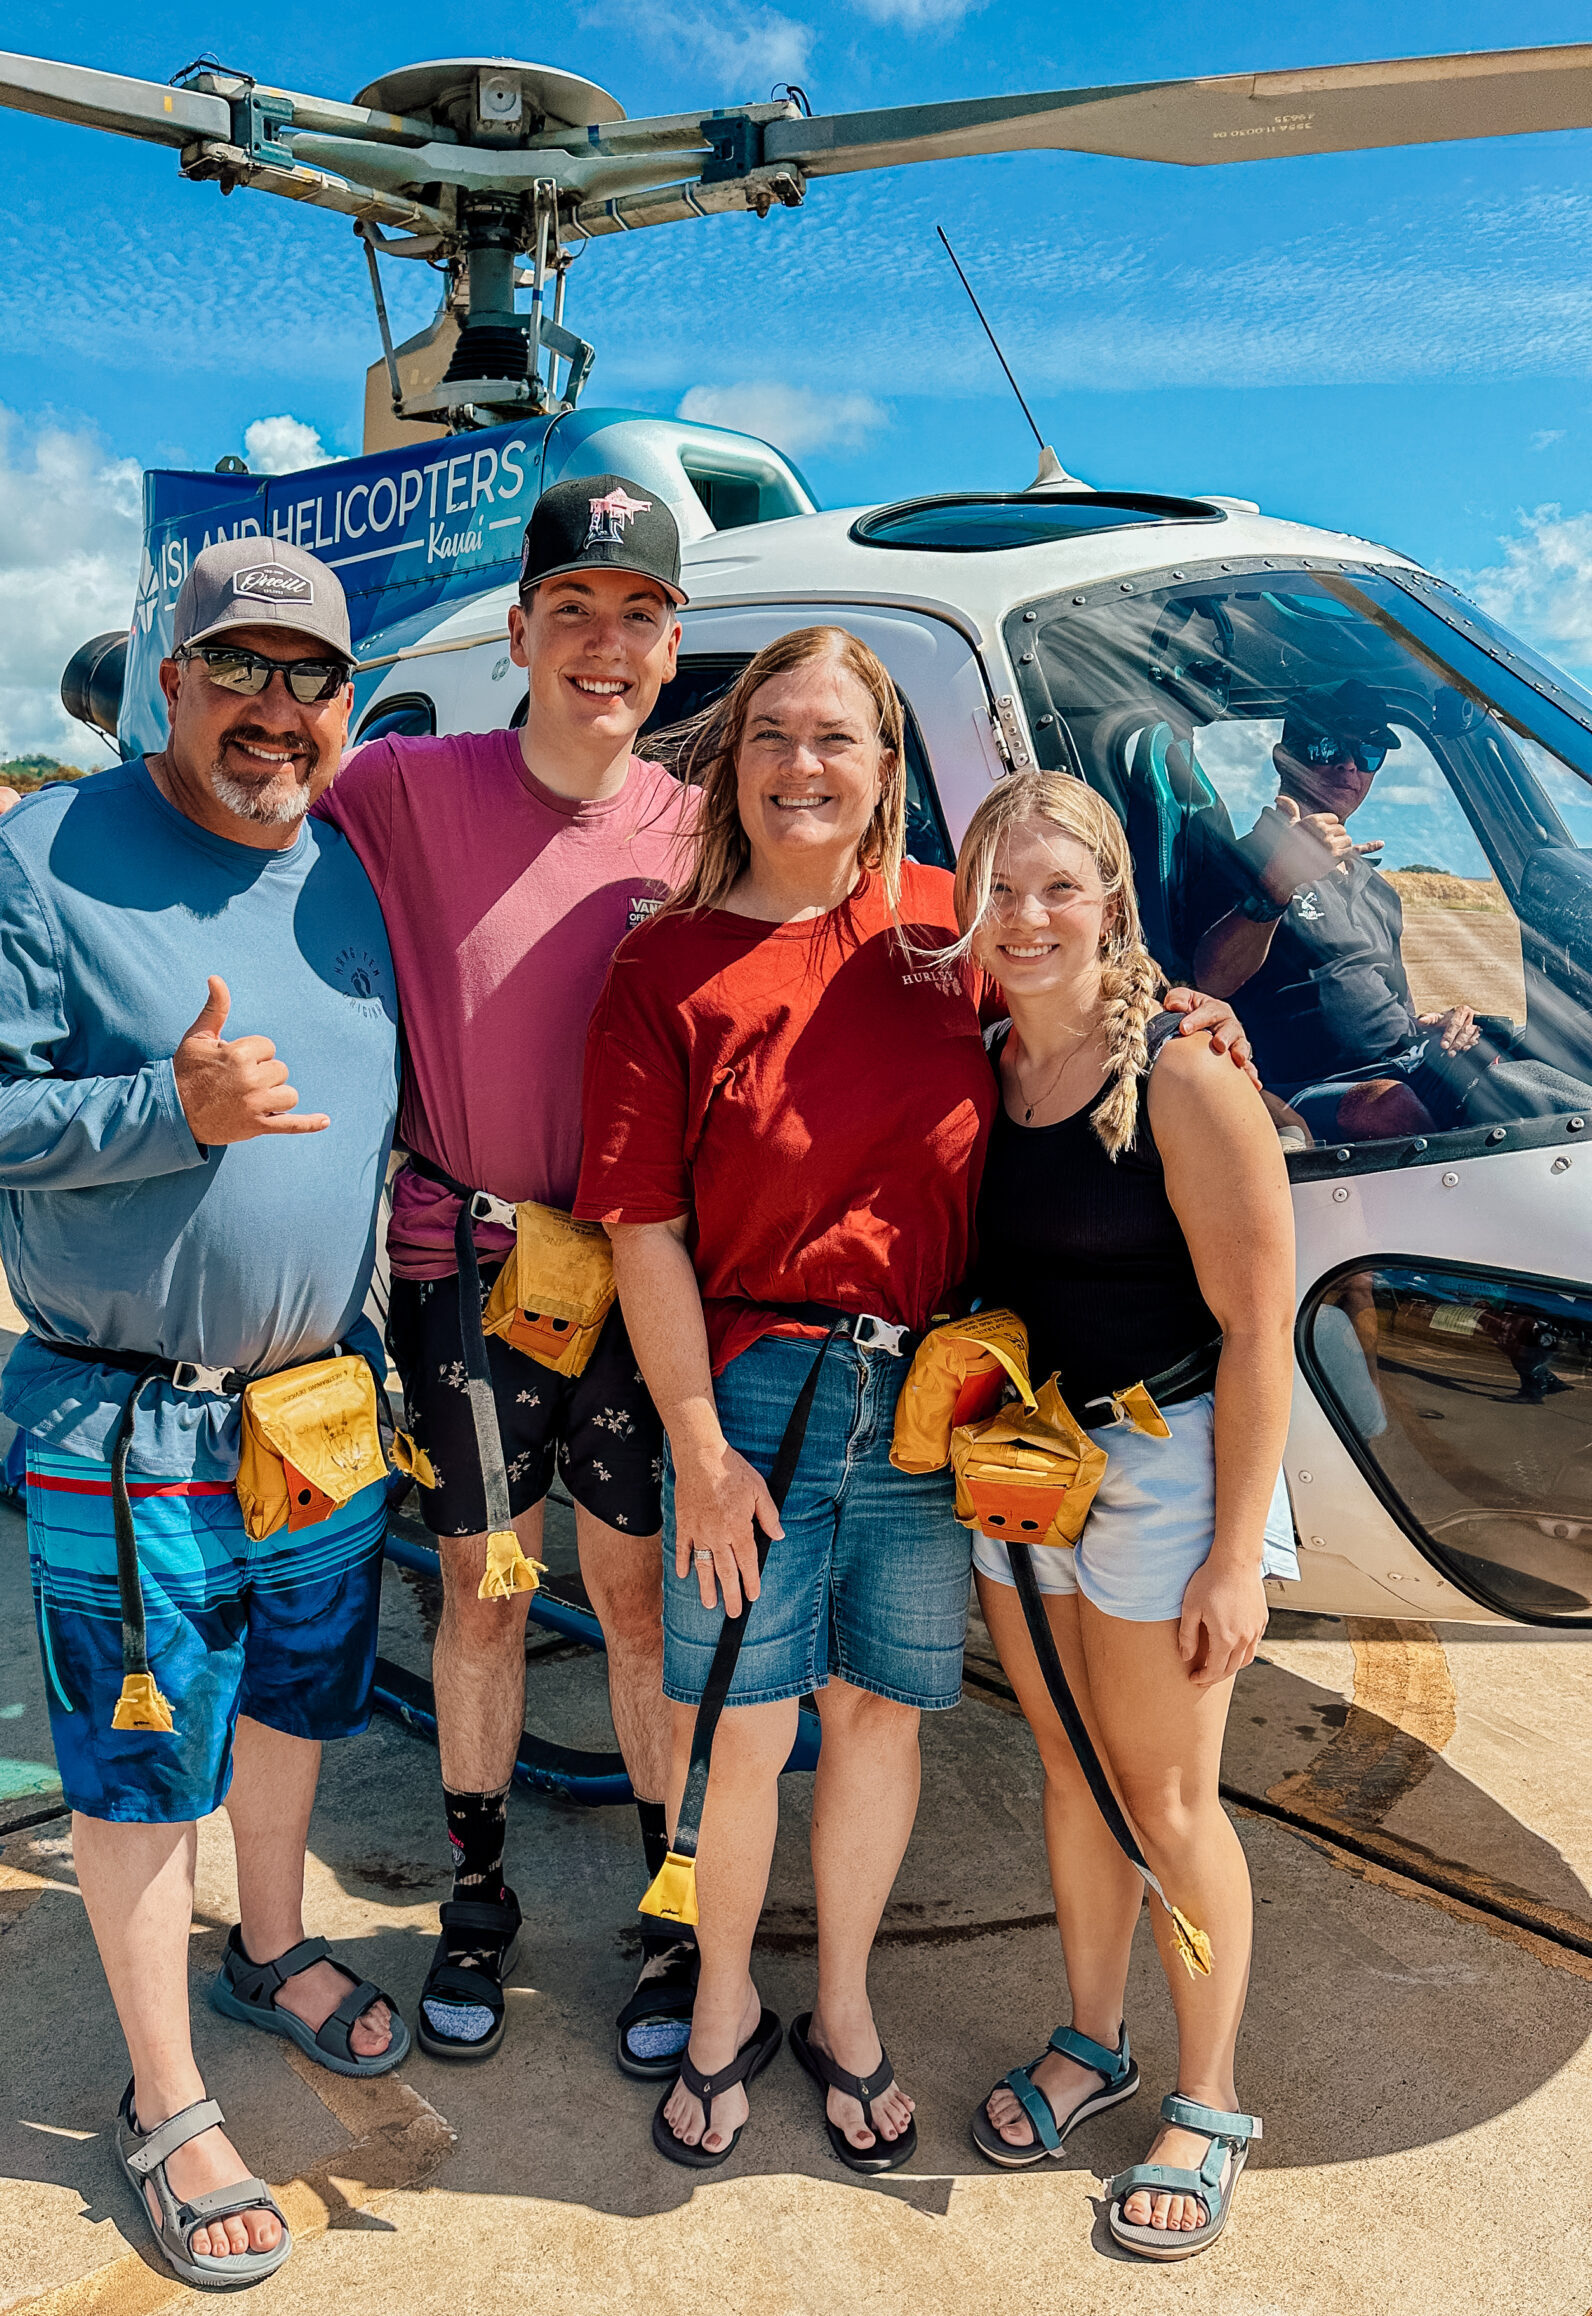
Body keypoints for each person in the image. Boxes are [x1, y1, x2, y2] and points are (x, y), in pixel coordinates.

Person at [0, 477, 698, 2075]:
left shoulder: (671, 828)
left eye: (311, 678)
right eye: (572, 612)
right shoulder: (392, 795)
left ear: (674, 649)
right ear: (521, 631)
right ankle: (415, 1936)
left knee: (570, 1620)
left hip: (518, 1318)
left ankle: (636, 1909)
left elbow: (856, 897)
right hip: (392, 1308)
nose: (279, 710)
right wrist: (5, 827)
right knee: (473, 1601)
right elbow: (168, 837)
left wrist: (1137, 998)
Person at [575, 631, 1256, 2175]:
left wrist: (1204, 1027)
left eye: (840, 739)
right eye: (774, 734)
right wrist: (694, 1441)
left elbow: (1085, 991)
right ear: (729, 757)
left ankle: (852, 2012)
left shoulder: (950, 931)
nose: (804, 766)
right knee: (739, 1728)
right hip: (746, 1396)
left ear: (891, 773)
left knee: (878, 1715)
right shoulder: (661, 965)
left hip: (927, 1404)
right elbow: (640, 1225)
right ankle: (727, 2006)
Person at [0, 539, 406, 2292]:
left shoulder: (350, 871)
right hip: (134, 1429)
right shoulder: (37, 854)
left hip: (321, 1408)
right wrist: (161, 1107)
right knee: (137, 1762)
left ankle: (268, 1944)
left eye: (308, 675)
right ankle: (167, 2096)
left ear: (345, 701)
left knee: (294, 1706)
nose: (274, 707)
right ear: (164, 682)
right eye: (235, 669)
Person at [958, 771, 1296, 2262]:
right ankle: (1092, 2046)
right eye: (999, 891)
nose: (1026, 919)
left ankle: (1210, 2096)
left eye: (1057, 889)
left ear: (1111, 905)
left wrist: (1237, 1552)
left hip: (1164, 1469)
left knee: (1167, 1799)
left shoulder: (1182, 1075)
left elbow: (1259, 1326)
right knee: (1068, 1770)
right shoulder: (983, 1060)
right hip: (1025, 1469)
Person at [1191, 681, 1490, 1139]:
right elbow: (1209, 980)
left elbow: (1401, 1008)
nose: (1349, 765)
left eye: (1369, 753)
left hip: (1400, 1062)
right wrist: (1277, 885)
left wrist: (1434, 1024)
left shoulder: (1378, 890)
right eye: (1327, 745)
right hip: (1298, 1087)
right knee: (1390, 1108)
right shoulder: (1238, 859)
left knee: (1505, 1073)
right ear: (1282, 757)